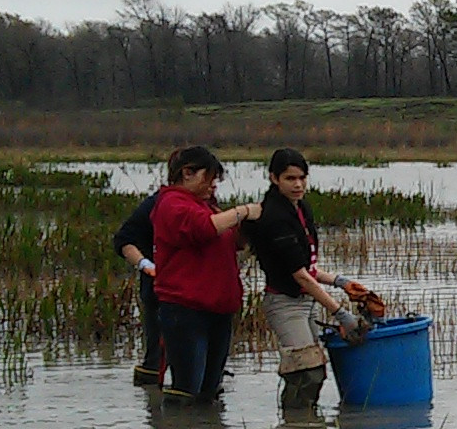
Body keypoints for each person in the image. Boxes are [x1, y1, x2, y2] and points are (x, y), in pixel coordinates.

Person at [241, 148, 356, 409]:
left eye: (302, 178)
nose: (298, 184)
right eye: (290, 179)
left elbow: (308, 267)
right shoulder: (274, 216)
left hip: (305, 301)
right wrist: (339, 313)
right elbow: (301, 276)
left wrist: (341, 281)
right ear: (273, 178)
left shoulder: (301, 209)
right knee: (305, 373)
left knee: (315, 371)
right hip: (285, 303)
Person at [148, 146, 261, 402]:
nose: (213, 185)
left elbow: (231, 241)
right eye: (208, 178)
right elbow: (202, 229)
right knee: (187, 390)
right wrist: (242, 211)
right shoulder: (171, 203)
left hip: (217, 310)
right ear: (187, 173)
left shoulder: (207, 207)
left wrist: (247, 227)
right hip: (185, 311)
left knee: (210, 390)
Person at [112, 179, 166, 386]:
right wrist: (145, 264)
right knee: (155, 355)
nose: (212, 185)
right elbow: (123, 240)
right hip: (157, 290)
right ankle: (153, 406)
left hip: (194, 294)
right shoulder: (154, 205)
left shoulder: (206, 205)